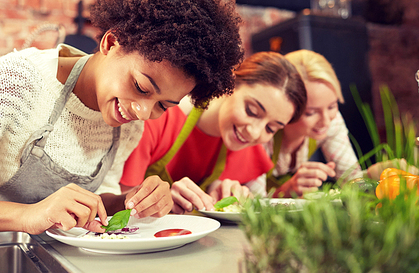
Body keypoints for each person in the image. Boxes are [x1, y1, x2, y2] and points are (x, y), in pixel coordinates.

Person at [0, 0, 244, 234]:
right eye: (142, 87)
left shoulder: (127, 124)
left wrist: (131, 201)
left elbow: (96, 200)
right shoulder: (19, 81)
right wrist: (28, 216)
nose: (142, 111)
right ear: (111, 42)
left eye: (163, 105)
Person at [120, 52, 307, 214]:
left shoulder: (250, 150)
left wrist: (225, 196)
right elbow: (117, 203)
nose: (254, 132)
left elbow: (256, 214)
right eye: (251, 111)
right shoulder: (159, 116)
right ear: (230, 85)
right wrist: (161, 201)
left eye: (271, 128)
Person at [251, 49, 362, 198]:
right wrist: (287, 190)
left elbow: (352, 179)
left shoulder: (332, 120)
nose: (325, 121)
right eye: (311, 113)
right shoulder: (262, 130)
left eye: (332, 106)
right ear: (288, 109)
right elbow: (252, 205)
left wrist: (376, 176)